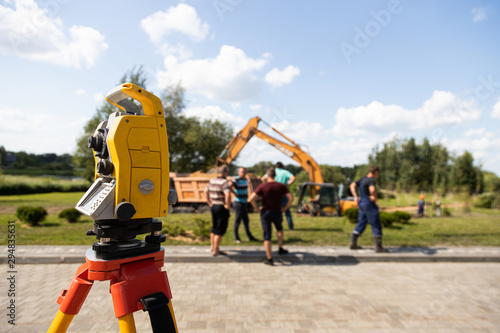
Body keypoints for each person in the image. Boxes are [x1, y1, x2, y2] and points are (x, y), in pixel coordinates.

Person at [249, 168, 293, 266]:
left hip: (265, 213)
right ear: (275, 175)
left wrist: (257, 209)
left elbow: (251, 199)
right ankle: (280, 248)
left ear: (267, 175)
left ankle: (270, 259)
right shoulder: (281, 186)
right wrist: (285, 208)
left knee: (267, 235)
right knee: (279, 230)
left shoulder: (263, 186)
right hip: (277, 211)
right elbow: (291, 198)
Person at [348, 166, 389, 253]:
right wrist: (374, 196)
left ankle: (353, 243)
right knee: (376, 223)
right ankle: (378, 247)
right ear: (375, 172)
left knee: (361, 222)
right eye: (377, 174)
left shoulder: (363, 179)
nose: (376, 176)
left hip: (361, 202)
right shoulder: (371, 180)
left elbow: (352, 185)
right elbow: (372, 189)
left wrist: (355, 197)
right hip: (369, 204)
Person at [204, 166, 231, 256]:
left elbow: (205, 191)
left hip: (214, 206)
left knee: (214, 227)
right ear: (225, 173)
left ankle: (212, 247)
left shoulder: (212, 180)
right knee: (220, 229)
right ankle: (216, 250)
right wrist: (227, 205)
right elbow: (227, 194)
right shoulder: (224, 182)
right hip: (221, 206)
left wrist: (209, 202)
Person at [261, 162, 296, 230]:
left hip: (273, 193)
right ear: (282, 167)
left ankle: (276, 226)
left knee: (274, 210)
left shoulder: (273, 171)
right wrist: (287, 185)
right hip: (283, 193)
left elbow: (262, 178)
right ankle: (290, 227)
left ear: (275, 167)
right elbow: (293, 178)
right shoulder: (285, 172)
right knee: (287, 211)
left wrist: (266, 185)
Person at [231, 167, 258, 243]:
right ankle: (236, 238)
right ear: (238, 172)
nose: (243, 173)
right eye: (242, 172)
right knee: (238, 220)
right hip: (238, 202)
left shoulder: (246, 180)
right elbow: (229, 186)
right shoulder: (236, 180)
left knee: (246, 220)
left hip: (244, 202)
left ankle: (250, 236)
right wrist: (234, 193)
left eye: (244, 172)